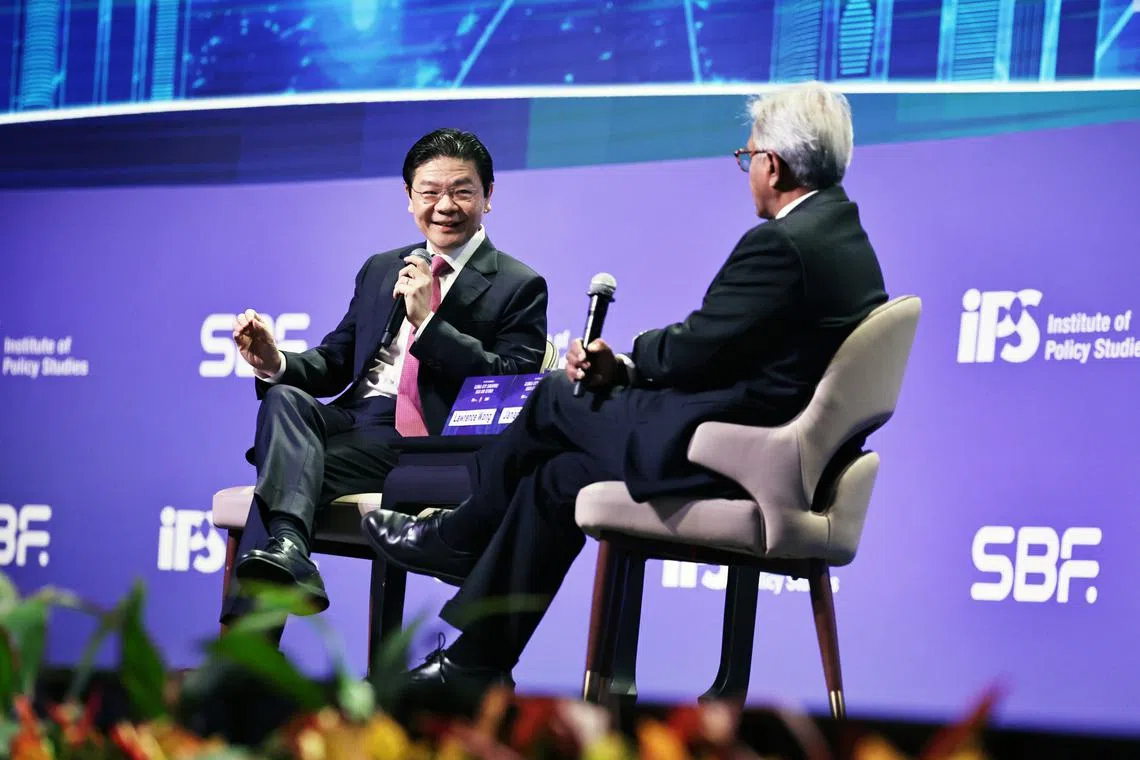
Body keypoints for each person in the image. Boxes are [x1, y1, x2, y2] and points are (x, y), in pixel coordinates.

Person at [362, 82, 888, 699]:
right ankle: (473, 664)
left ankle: (459, 534)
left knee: (556, 395)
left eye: (747, 158)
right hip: (766, 441)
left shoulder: (783, 243)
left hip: (735, 454)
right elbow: (743, 349)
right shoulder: (844, 235)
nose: (747, 171)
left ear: (773, 164)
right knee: (556, 476)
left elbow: (695, 347)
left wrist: (628, 363)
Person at [221, 128, 549, 623]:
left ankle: (242, 665)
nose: (445, 205)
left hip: (425, 442)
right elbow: (335, 360)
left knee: (280, 484)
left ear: (488, 196)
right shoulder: (381, 268)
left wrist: (430, 326)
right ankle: (289, 547)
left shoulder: (518, 284)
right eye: (430, 192)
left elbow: (508, 384)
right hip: (355, 424)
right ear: (408, 197)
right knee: (284, 398)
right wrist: (274, 362)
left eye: (462, 191)